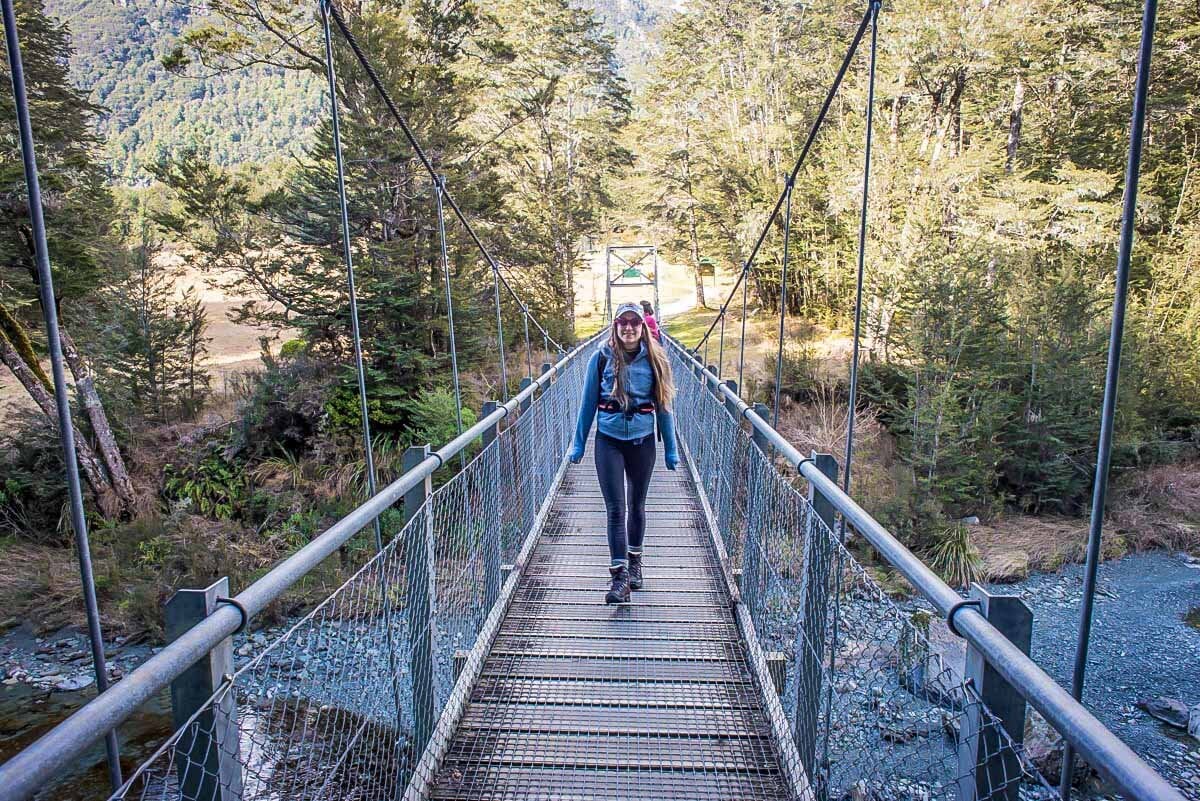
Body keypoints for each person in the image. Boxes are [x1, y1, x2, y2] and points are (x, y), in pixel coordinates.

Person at [568, 302, 679, 604]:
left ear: (643, 327)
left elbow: (664, 408)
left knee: (637, 504)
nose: (628, 328)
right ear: (615, 326)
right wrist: (577, 444)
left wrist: (671, 448)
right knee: (616, 509)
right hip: (609, 440)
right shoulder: (600, 358)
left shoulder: (657, 361)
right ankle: (620, 579)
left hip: (643, 441)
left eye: (634, 322)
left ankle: (635, 563)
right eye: (622, 322)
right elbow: (587, 404)